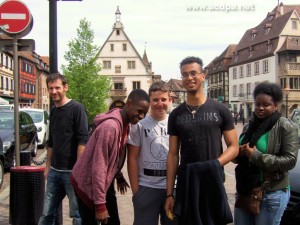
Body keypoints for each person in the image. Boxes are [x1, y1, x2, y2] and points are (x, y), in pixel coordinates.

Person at [164, 56, 239, 225]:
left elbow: (234, 147)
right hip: (187, 183)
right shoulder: (176, 115)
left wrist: (215, 164)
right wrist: (169, 194)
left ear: (203, 75)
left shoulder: (220, 109)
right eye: (184, 74)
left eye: (193, 73)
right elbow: (173, 155)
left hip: (214, 180)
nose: (189, 78)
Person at [71, 89, 150, 225]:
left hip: (101, 184)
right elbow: (99, 166)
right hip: (87, 185)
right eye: (139, 111)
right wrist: (100, 205)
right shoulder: (110, 127)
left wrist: (118, 175)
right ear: (129, 104)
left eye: (145, 113)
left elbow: (113, 156)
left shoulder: (125, 124)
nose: (142, 116)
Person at [234, 82, 299, 225]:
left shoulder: (286, 126)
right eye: (257, 104)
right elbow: (239, 156)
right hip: (245, 189)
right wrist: (238, 152)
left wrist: (255, 156)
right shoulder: (250, 125)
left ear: (275, 106)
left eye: (266, 104)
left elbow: (290, 160)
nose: (260, 108)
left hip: (271, 194)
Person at [38, 73, 89, 225]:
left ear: (66, 88)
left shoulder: (77, 108)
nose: (54, 91)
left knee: (77, 214)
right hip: (55, 170)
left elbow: (82, 141)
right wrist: (47, 167)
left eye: (57, 88)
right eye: (50, 88)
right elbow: (51, 142)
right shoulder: (53, 111)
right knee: (47, 213)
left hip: (72, 171)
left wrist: (78, 171)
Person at [127, 82, 177, 225]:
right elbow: (132, 158)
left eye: (163, 99)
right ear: (150, 102)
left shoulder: (176, 123)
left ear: (170, 100)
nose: (159, 103)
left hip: (172, 188)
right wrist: (137, 192)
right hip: (147, 187)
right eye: (155, 100)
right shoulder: (139, 124)